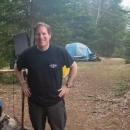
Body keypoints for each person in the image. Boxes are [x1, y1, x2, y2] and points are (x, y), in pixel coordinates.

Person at [14, 22, 77, 130]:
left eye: (44, 33)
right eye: (38, 34)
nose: (41, 37)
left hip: (55, 101)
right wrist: (23, 84)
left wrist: (68, 85)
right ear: (35, 36)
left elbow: (74, 66)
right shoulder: (28, 53)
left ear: (49, 35)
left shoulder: (59, 52)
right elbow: (17, 68)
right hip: (35, 102)